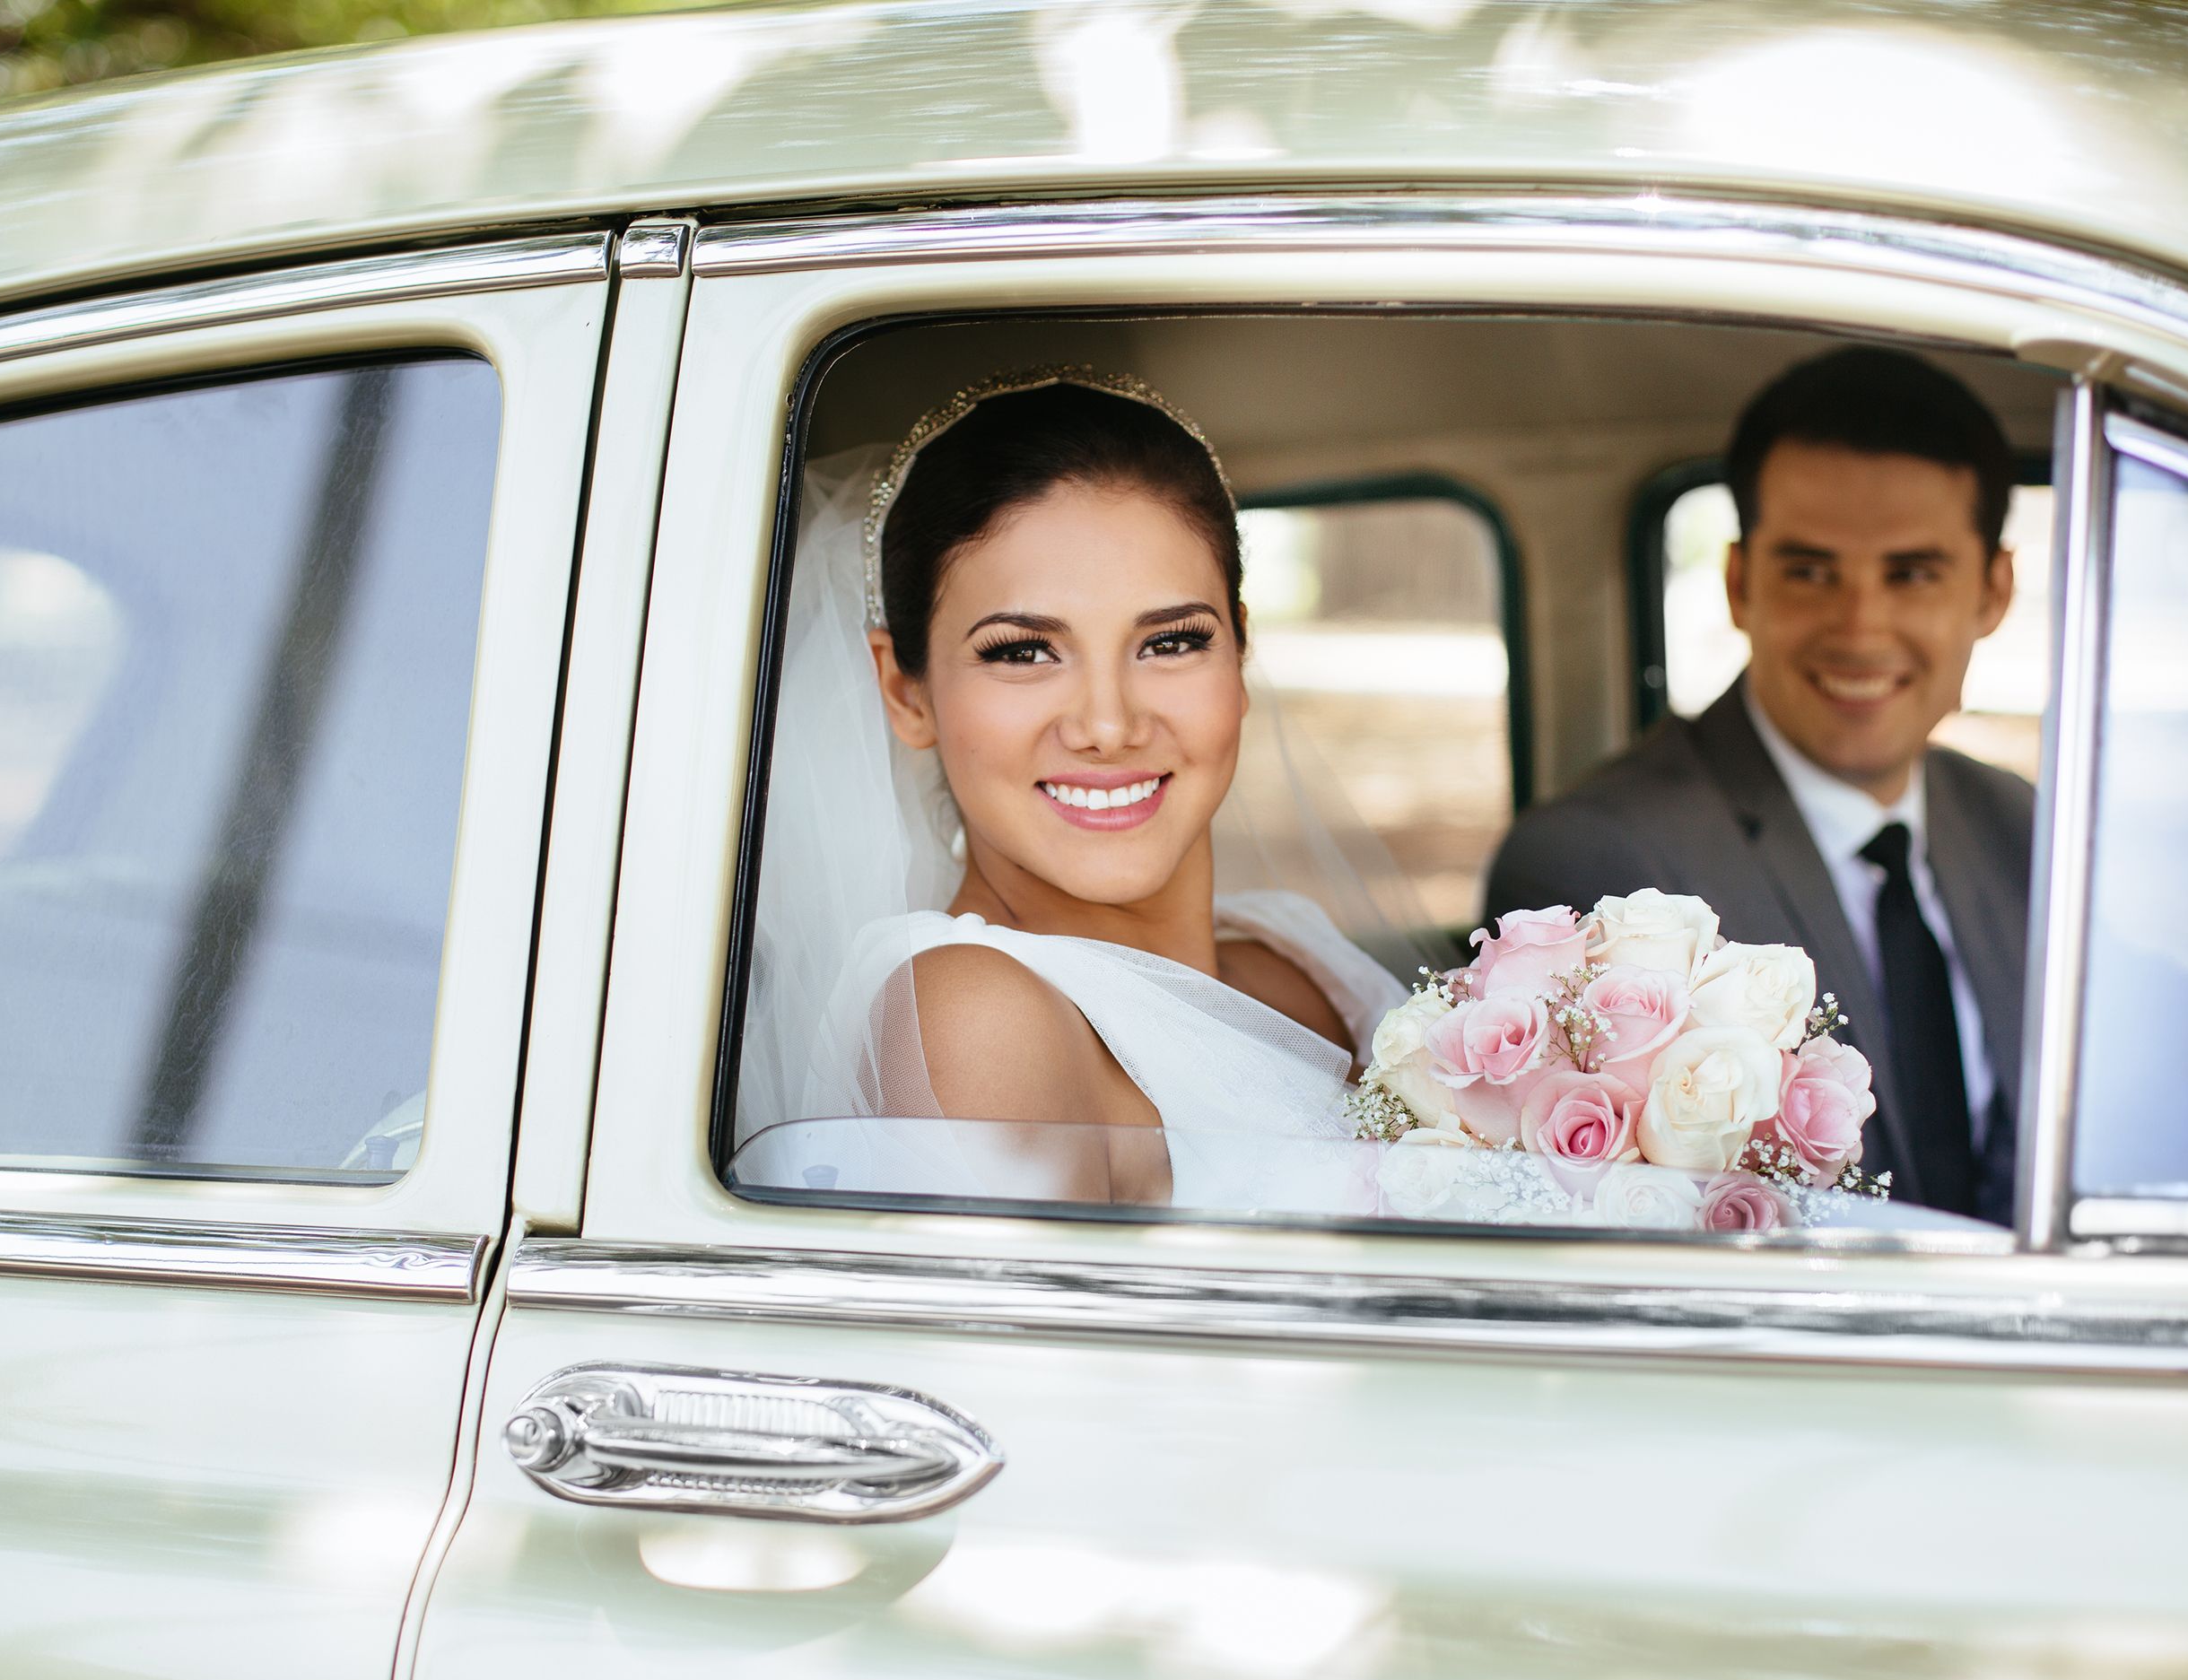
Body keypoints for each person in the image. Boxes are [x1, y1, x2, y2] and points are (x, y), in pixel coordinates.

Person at [737, 370, 1407, 1203]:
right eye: (1022, 652)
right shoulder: (976, 1017)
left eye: (1170, 643)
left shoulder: (1293, 963)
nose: (1108, 724)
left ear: (1240, 648)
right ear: (906, 693)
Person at [1485, 347, 2033, 1223]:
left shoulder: (2023, 827)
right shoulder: (1604, 865)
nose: (1861, 627)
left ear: (1993, 590)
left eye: (1912, 573)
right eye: (1810, 571)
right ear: (1741, 584)